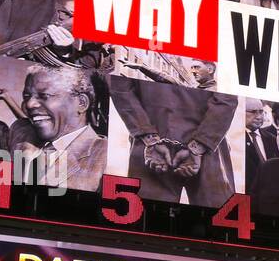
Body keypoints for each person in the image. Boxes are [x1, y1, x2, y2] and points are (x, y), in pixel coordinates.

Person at [108, 75, 239, 206]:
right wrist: (200, 144)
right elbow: (227, 99)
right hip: (207, 143)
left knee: (148, 217)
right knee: (217, 218)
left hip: (151, 143)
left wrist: (148, 136)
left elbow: (120, 89)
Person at [13, 65, 107, 193]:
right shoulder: (20, 132)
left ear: (81, 103)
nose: (29, 104)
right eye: (27, 96)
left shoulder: (104, 156)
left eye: (44, 95)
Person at [242, 99, 279, 178]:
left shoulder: (272, 138)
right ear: (240, 112)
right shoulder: (235, 139)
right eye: (253, 112)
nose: (259, 117)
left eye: (261, 112)